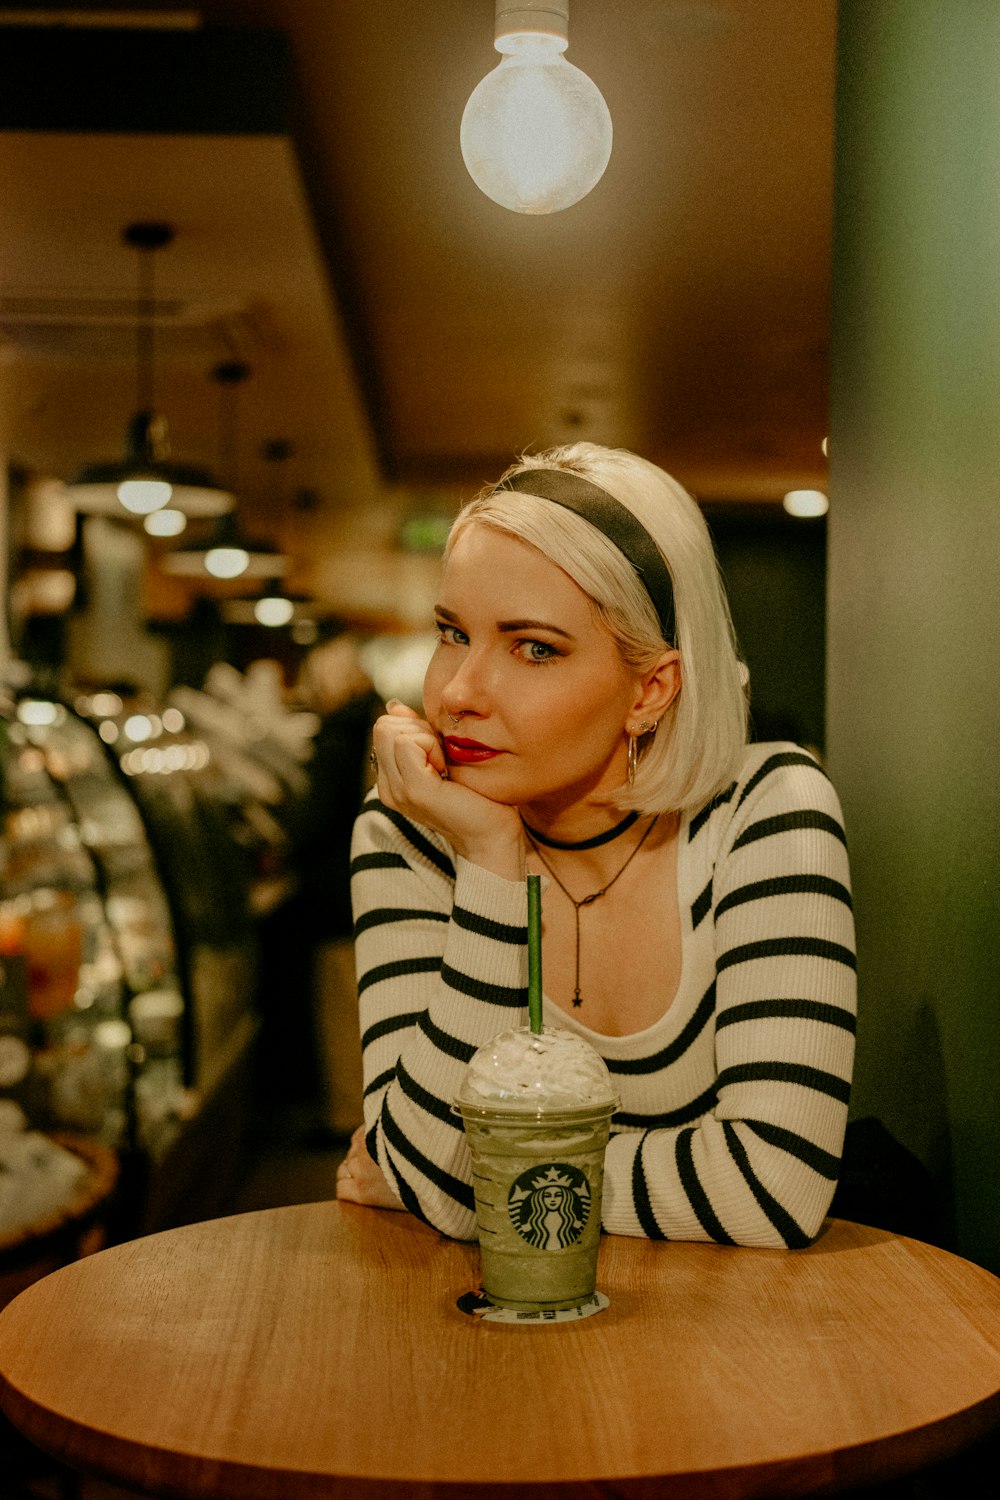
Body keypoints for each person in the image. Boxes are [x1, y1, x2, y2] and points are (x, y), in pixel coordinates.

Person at [336, 443, 856, 1247]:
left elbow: (770, 1185)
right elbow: (423, 1171)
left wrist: (489, 1177)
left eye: (533, 647)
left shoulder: (767, 811)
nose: (458, 693)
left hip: (734, 1352)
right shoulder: (408, 831)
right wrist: (488, 860)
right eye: (452, 632)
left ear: (650, 690)